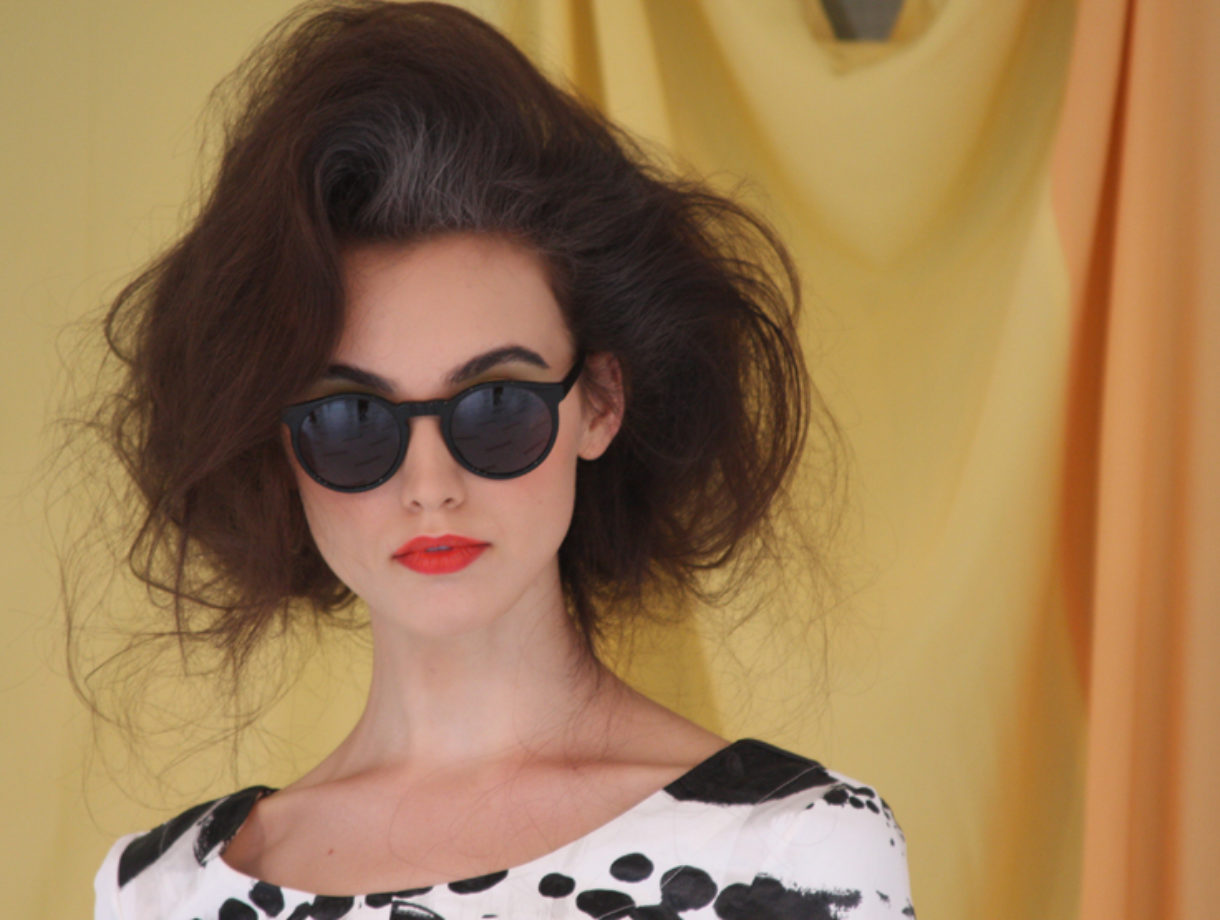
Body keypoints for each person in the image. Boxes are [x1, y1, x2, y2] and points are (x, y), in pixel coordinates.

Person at [83, 2, 915, 917]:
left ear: (599, 402)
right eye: (353, 420)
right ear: (278, 444)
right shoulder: (160, 893)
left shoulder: (792, 852)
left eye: (495, 407)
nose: (431, 487)